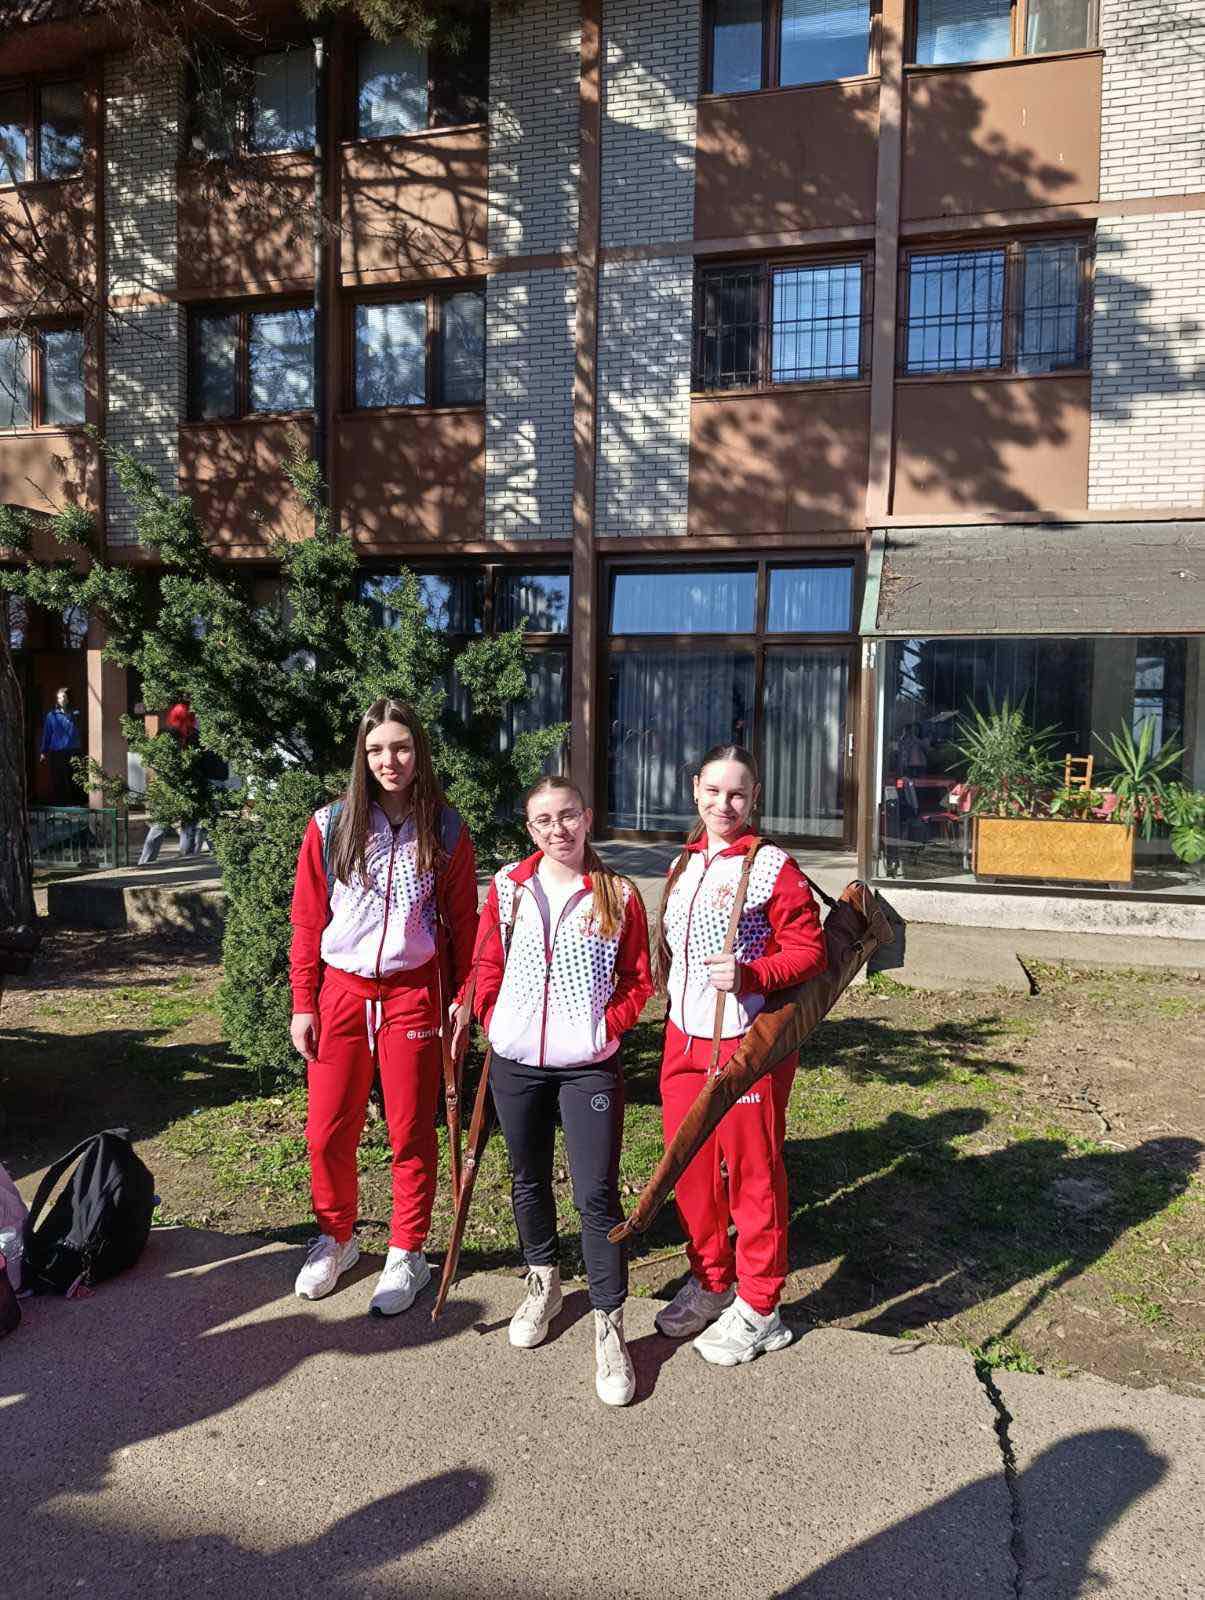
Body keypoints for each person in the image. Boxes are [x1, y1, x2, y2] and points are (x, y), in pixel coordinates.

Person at [460, 775, 652, 1406]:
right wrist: (493, 1018)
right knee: (527, 1177)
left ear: (587, 817)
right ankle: (544, 1281)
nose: (557, 830)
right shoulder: (509, 887)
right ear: (529, 828)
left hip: (587, 1066)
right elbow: (486, 963)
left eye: (567, 816)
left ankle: (609, 1322)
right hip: (517, 1061)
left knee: (596, 1192)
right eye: (543, 821)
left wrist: (604, 1028)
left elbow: (638, 979)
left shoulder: (618, 893)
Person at [288, 697, 477, 1316]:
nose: (388, 760)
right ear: (361, 756)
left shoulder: (445, 829)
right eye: (375, 749)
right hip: (341, 993)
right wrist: (304, 1002)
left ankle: (407, 1251)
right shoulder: (329, 826)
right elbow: (308, 920)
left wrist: (465, 999)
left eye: (400, 747)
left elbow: (463, 924)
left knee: (411, 1131)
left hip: (413, 994)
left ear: (419, 750)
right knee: (326, 1132)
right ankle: (336, 1237)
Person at [654, 743, 827, 1366]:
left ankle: (760, 1306)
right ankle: (711, 1280)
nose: (723, 804)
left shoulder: (773, 866)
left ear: (755, 798)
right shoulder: (686, 859)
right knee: (690, 1169)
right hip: (683, 1038)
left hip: (746, 1043)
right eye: (713, 791)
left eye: (737, 794)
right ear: (695, 790)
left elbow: (810, 952)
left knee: (753, 1173)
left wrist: (752, 975)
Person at [138, 696, 210, 863]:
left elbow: (153, 760)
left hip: (169, 787)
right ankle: (186, 863)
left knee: (161, 825)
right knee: (187, 827)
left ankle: (145, 862)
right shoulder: (193, 735)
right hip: (189, 787)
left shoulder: (166, 734)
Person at [39, 687, 81, 804]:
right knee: (58, 778)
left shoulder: (76, 714)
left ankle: (75, 803)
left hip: (73, 750)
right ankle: (60, 803)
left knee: (74, 777)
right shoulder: (51, 715)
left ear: (68, 699)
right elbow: (47, 734)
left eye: (63, 697)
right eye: (58, 698)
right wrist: (43, 751)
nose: (60, 700)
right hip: (57, 751)